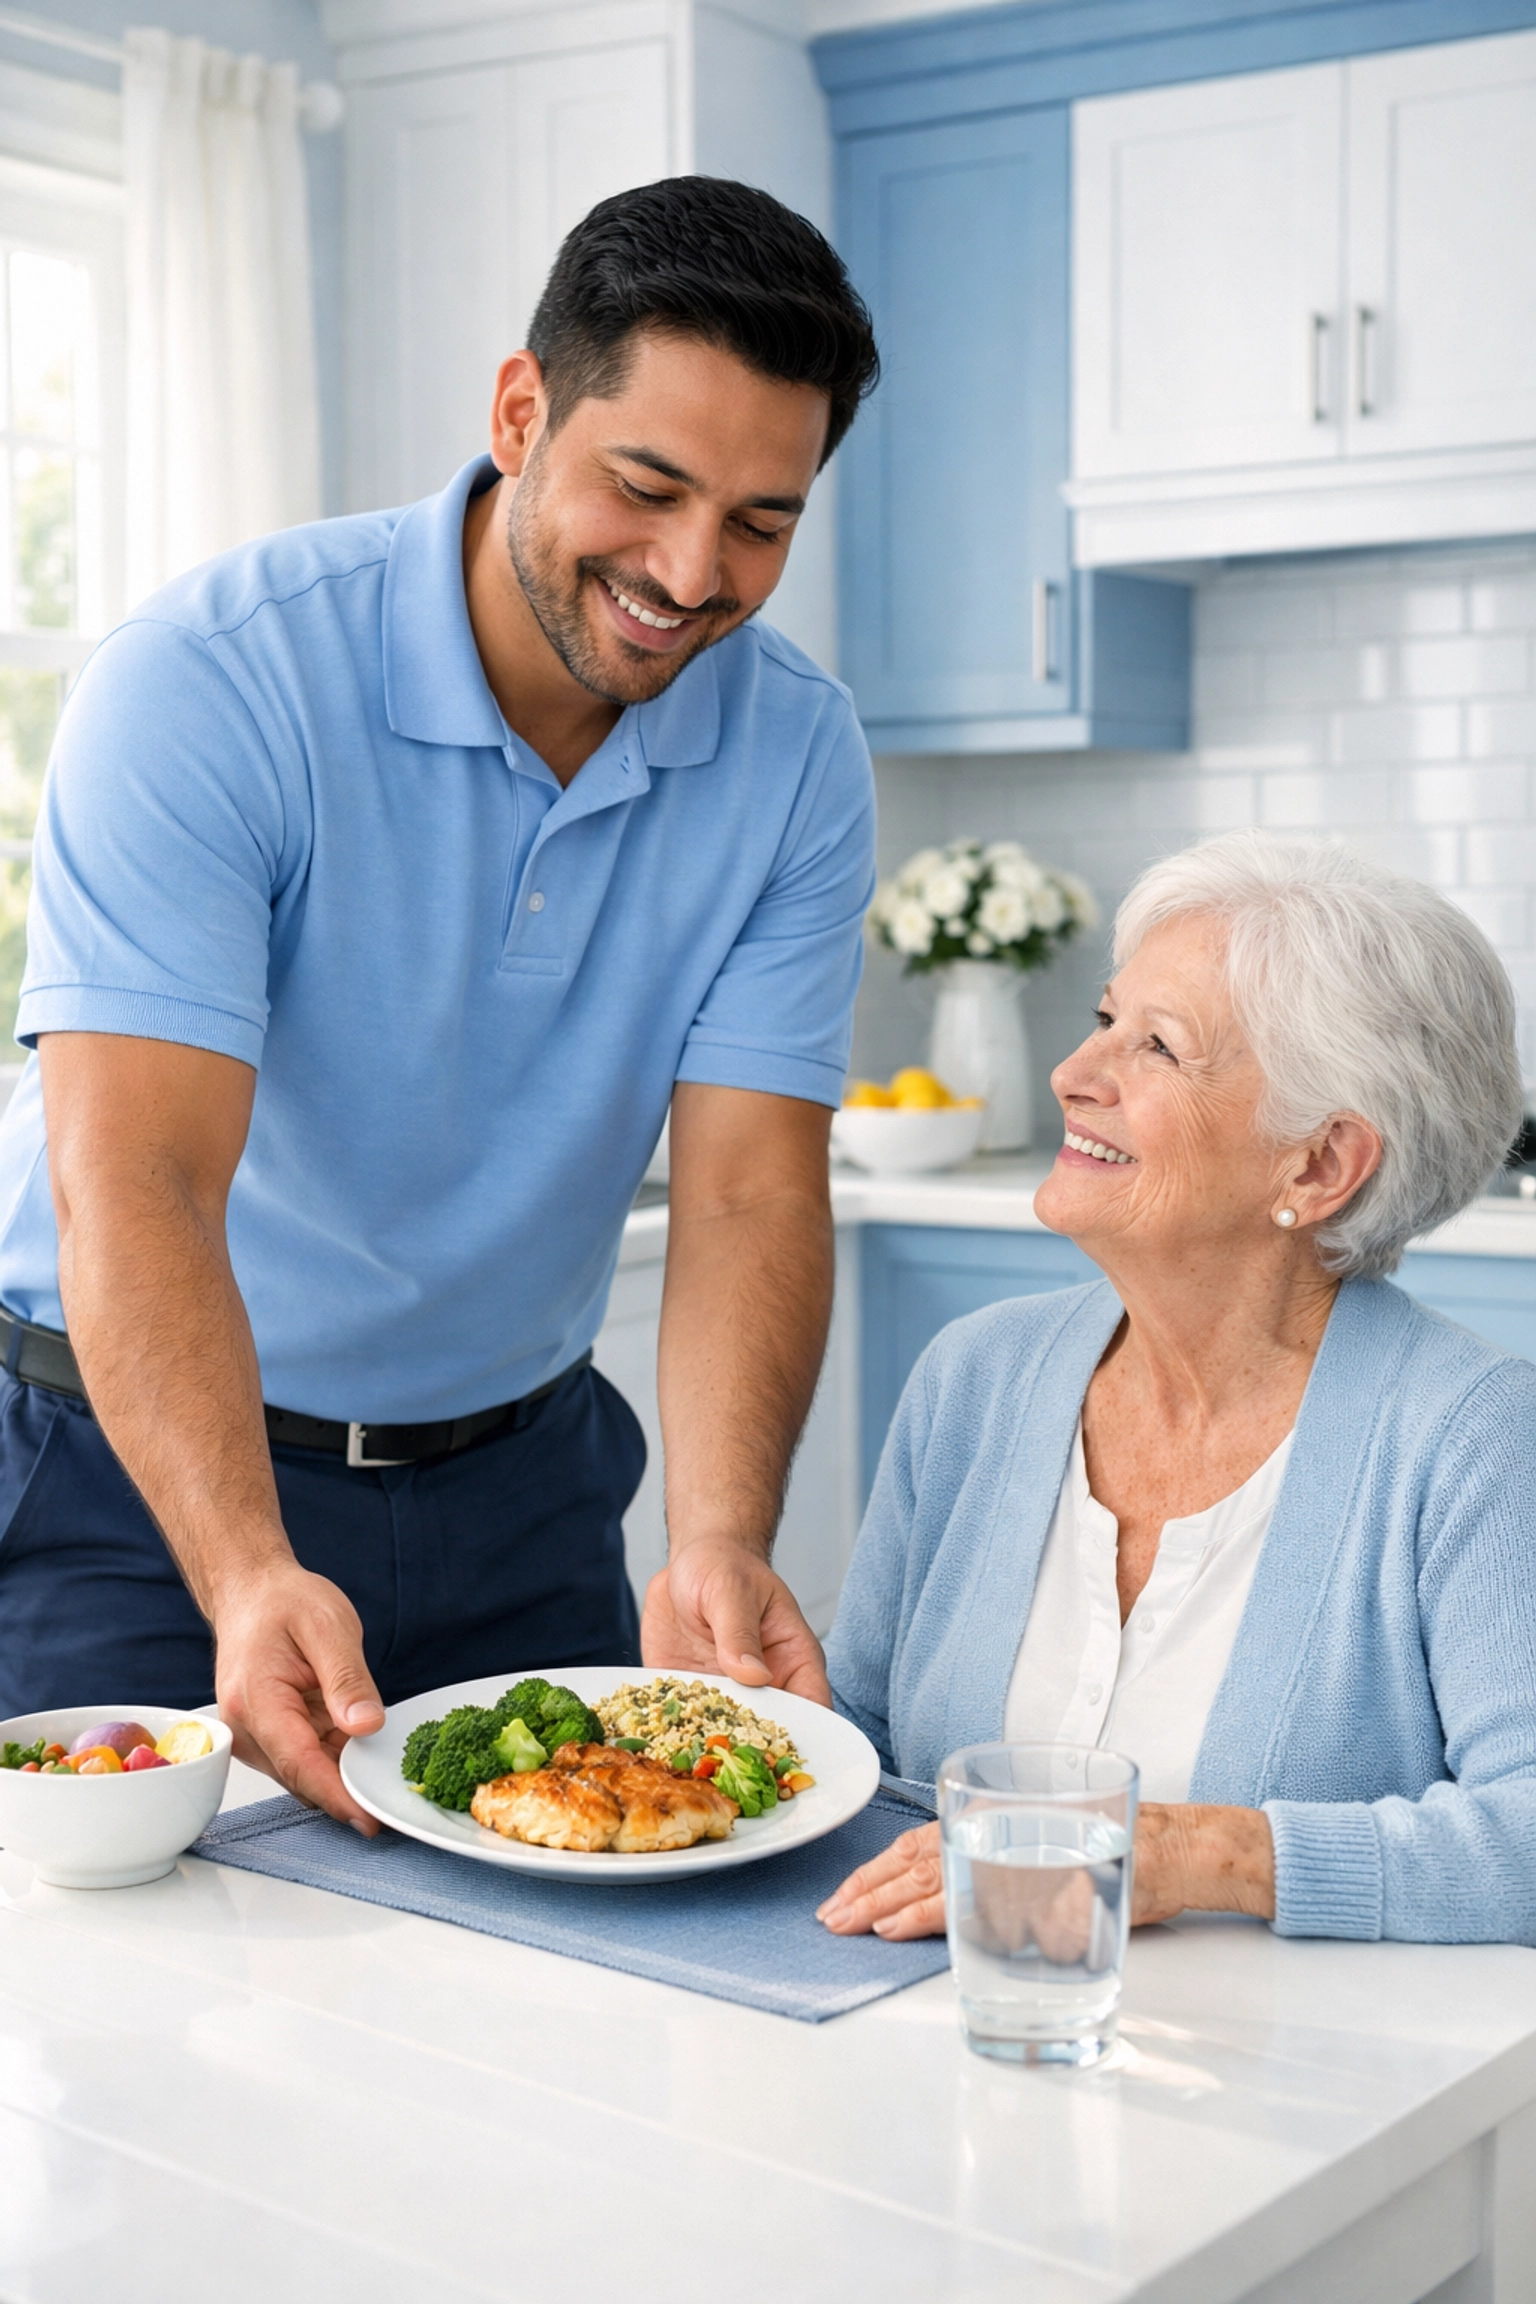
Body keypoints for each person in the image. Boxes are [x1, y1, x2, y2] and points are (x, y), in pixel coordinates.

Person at [0, 177, 879, 1832]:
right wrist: (250, 1565)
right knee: (121, 2020)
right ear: (519, 408)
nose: (692, 572)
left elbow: (754, 1187)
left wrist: (718, 1531)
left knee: (554, 2024)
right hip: (136, 1478)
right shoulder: (214, 680)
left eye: (761, 521)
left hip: (521, 1491)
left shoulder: (798, 755)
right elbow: (140, 1179)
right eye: (648, 485)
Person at [818, 830, 1536, 1947]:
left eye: (1156, 1047)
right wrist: (754, 1718)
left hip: (1295, 2091)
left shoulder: (1471, 1437)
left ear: (1318, 1165)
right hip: (943, 2040)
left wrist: (1203, 1855)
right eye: (1107, 1020)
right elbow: (857, 1745)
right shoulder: (975, 1376)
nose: (1073, 1074)